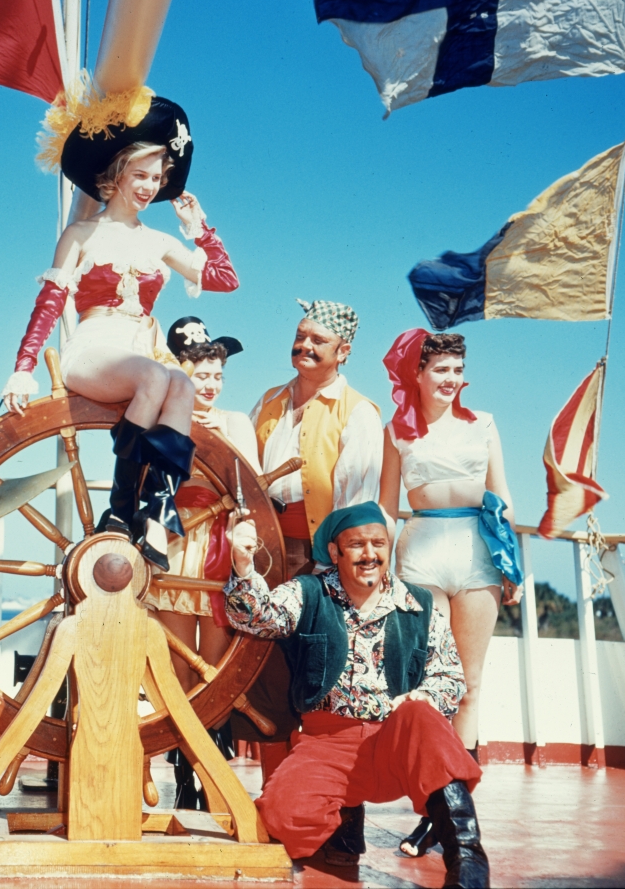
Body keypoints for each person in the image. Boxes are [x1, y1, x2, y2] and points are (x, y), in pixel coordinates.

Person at [2, 86, 239, 570]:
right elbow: (49, 304)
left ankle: (155, 517)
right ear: (117, 174)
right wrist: (22, 368)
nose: (150, 186)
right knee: (159, 376)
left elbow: (224, 279)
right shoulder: (81, 234)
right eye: (141, 174)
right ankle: (122, 506)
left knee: (179, 382)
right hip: (92, 350)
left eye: (158, 177)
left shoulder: (160, 242)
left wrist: (200, 228)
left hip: (139, 355)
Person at [224, 504, 489, 889]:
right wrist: (243, 565)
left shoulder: (419, 604)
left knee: (423, 717)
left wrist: (426, 696)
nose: (370, 554)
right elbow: (256, 616)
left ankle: (469, 865)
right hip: (327, 743)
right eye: (357, 545)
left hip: (396, 741)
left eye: (378, 543)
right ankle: (345, 818)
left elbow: (450, 676)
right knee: (281, 817)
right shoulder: (309, 593)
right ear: (335, 553)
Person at [380, 329, 522, 859]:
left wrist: (513, 569)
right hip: (421, 550)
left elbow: (503, 497)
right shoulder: (396, 429)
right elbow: (387, 507)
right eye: (440, 369)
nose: (451, 379)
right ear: (416, 373)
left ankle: (455, 815)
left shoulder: (483, 424)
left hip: (477, 550)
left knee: (471, 683)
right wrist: (381, 576)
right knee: (431, 684)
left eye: (457, 370)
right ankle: (436, 811)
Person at [239, 300, 383, 783]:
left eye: (317, 341)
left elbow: (357, 506)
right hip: (265, 553)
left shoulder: (359, 413)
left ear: (343, 351)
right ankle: (273, 796)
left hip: (320, 558)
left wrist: (343, 574)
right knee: (265, 672)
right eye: (300, 336)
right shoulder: (268, 402)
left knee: (326, 672)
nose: (304, 346)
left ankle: (333, 806)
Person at [146, 317, 258, 809]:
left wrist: (221, 440)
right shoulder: (163, 421)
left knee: (213, 667)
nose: (210, 385)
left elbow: (253, 483)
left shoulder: (235, 422)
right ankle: (185, 777)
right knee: (178, 669)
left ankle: (209, 773)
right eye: (200, 375)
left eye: (217, 376)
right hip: (174, 545)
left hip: (218, 548)